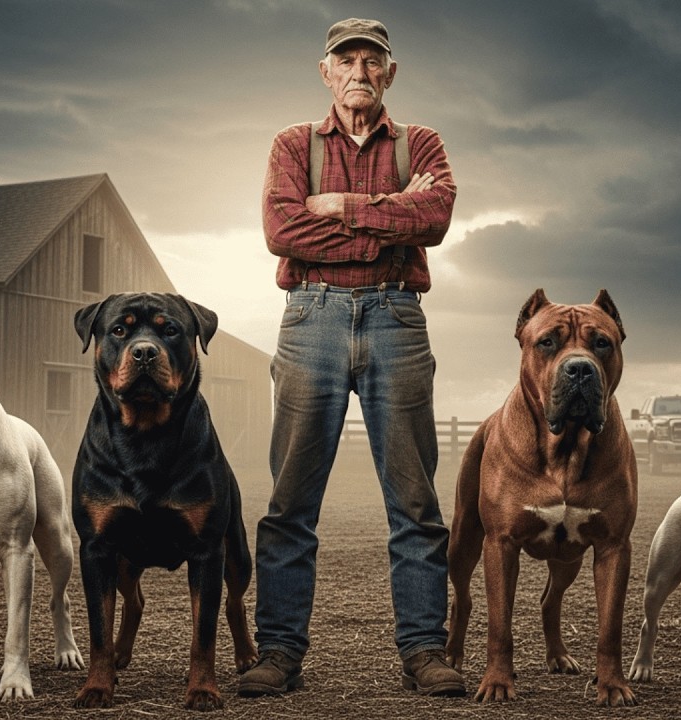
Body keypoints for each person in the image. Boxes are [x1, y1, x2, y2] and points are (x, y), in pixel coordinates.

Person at [238, 17, 464, 698]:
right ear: (325, 71)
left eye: (372, 60)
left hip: (397, 315)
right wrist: (389, 215)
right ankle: (278, 653)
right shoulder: (291, 144)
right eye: (347, 59)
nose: (359, 71)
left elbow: (438, 219)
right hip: (312, 316)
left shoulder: (421, 141)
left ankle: (425, 652)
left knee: (416, 500)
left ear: (389, 72)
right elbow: (283, 230)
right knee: (289, 501)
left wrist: (340, 208)